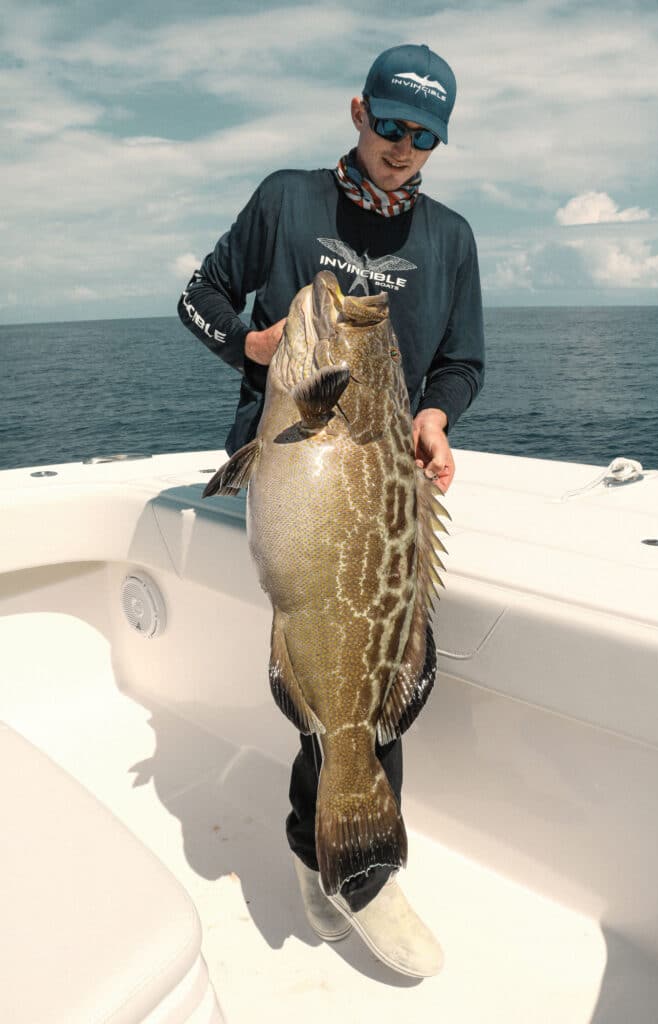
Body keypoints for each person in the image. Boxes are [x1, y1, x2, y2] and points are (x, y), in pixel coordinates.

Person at [178, 42, 484, 978]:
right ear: (358, 112)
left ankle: (335, 845)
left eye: (423, 137)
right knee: (328, 662)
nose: (403, 148)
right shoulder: (286, 199)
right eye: (390, 126)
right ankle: (348, 863)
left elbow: (461, 365)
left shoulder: (449, 236)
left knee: (390, 657)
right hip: (292, 468)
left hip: (382, 487)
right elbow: (199, 300)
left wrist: (435, 415)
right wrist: (255, 345)